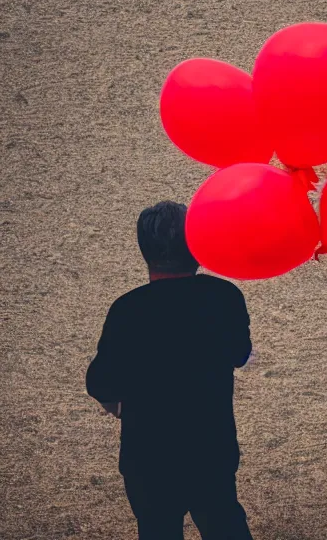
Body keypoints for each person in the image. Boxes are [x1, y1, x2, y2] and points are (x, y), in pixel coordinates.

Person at [86, 201, 255, 538]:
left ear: (145, 251)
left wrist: (116, 404)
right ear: (196, 243)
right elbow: (240, 354)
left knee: (157, 528)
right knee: (224, 523)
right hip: (212, 445)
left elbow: (101, 383)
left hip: (148, 454)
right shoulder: (225, 296)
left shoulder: (127, 309)